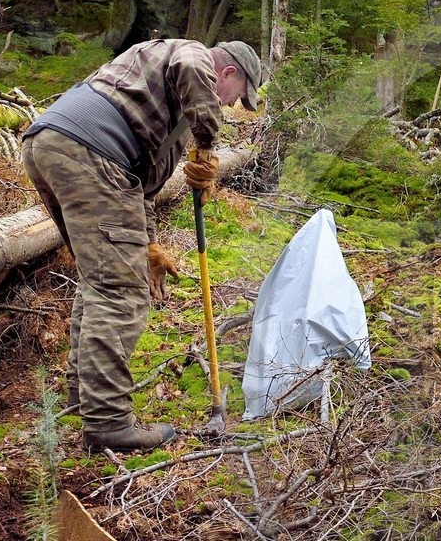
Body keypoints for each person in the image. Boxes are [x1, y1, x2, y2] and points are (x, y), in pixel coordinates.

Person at [21, 38, 262, 452]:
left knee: (99, 282)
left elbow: (138, 190)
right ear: (229, 74)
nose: (228, 106)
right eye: (236, 97)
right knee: (120, 293)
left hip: (51, 143)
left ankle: (85, 397)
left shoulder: (158, 100)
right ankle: (109, 422)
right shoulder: (193, 56)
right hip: (90, 150)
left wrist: (148, 245)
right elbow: (192, 64)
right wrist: (207, 147)